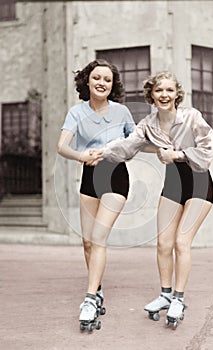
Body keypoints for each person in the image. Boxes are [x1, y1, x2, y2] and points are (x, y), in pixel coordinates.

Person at [100, 71, 213, 328]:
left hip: (199, 182)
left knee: (181, 242)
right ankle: (165, 295)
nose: (164, 95)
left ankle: (179, 298)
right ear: (151, 95)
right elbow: (127, 146)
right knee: (163, 243)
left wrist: (177, 154)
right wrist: (102, 151)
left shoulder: (192, 117)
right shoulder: (148, 125)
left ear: (177, 94)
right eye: (159, 90)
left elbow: (207, 153)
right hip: (173, 184)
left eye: (169, 90)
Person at [57, 59, 136, 327]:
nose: (102, 83)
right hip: (89, 176)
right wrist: (82, 155)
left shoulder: (122, 112)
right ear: (87, 81)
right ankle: (98, 289)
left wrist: (115, 148)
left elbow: (134, 142)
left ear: (112, 86)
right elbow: (62, 146)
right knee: (88, 242)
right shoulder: (76, 112)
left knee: (99, 238)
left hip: (116, 175)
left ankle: (89, 299)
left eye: (107, 80)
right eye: (97, 78)